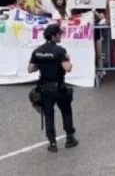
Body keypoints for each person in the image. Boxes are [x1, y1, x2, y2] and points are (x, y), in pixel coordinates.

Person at [28, 23, 78, 151]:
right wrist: (69, 60)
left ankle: (52, 143)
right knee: (66, 112)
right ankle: (69, 139)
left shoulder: (37, 51)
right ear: (54, 35)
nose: (60, 36)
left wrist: (43, 64)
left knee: (49, 115)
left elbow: (30, 69)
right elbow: (67, 68)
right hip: (59, 87)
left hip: (45, 88)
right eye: (59, 34)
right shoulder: (60, 51)